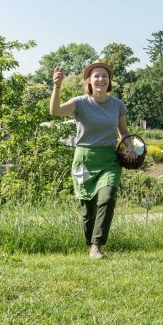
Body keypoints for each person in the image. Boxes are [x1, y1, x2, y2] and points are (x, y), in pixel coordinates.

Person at [50, 61, 136, 260]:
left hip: (109, 159)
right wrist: (57, 86)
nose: (101, 79)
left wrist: (130, 146)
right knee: (88, 208)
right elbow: (55, 111)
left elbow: (123, 132)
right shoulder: (80, 102)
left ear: (109, 81)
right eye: (96, 76)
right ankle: (90, 244)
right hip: (85, 159)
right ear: (89, 81)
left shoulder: (117, 105)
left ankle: (97, 246)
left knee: (107, 198)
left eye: (104, 76)